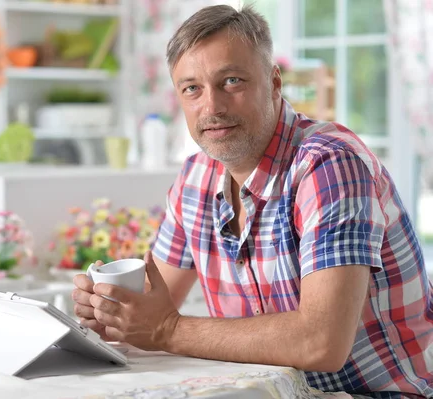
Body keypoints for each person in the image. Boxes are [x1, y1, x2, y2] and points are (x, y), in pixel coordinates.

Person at [72, 4, 433, 398]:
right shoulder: (195, 176)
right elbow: (148, 302)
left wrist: (166, 329)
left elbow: (322, 342)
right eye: (192, 88)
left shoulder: (328, 164)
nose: (211, 106)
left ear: (275, 82)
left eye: (231, 81)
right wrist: (107, 309)